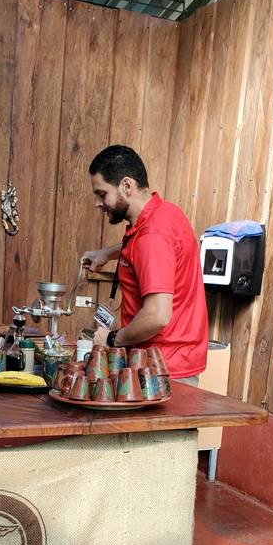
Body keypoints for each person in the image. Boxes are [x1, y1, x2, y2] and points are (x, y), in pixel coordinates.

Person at [80, 145, 208, 385]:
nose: (98, 203)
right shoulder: (165, 214)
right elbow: (147, 246)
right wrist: (107, 253)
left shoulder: (153, 235)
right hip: (172, 362)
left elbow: (156, 316)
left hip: (160, 370)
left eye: (101, 193)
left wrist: (111, 339)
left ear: (126, 186)